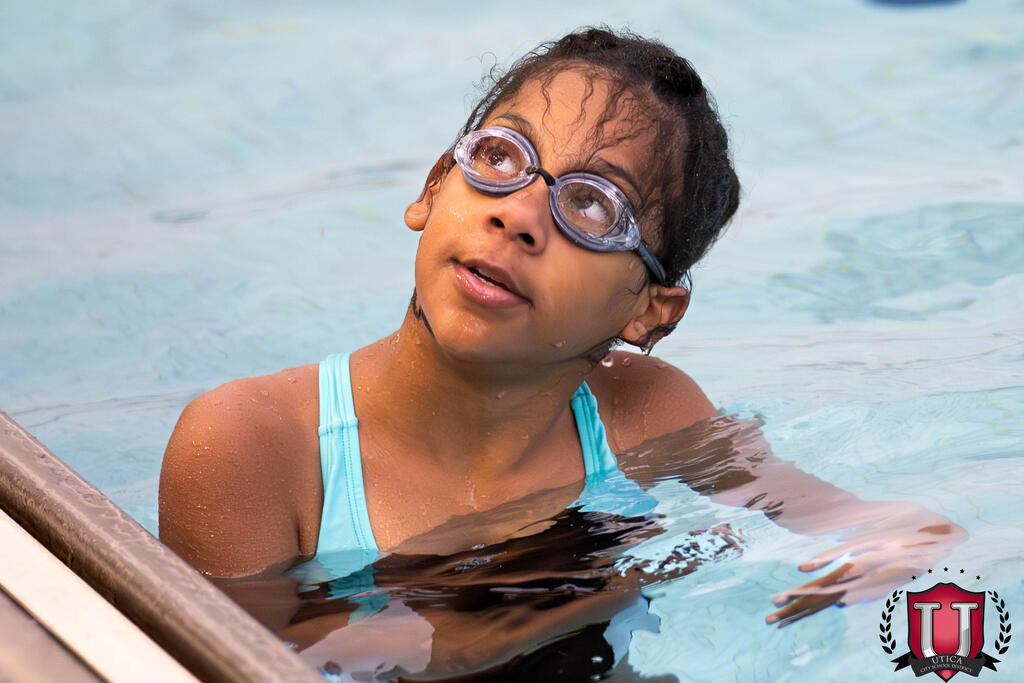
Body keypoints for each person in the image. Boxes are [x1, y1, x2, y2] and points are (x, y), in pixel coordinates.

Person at [159, 27, 963, 677]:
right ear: (434, 187)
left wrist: (886, 550)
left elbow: (898, 529)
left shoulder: (648, 414)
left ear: (648, 310)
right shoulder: (254, 446)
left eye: (592, 205)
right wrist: (564, 602)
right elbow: (234, 662)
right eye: (500, 157)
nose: (517, 216)